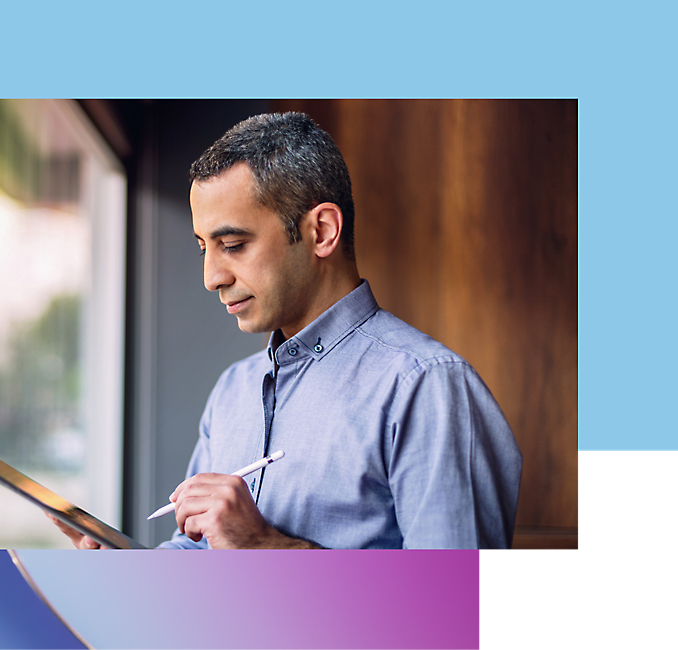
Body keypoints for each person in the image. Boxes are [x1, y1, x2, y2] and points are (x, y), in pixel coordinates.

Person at [53, 112, 522, 550]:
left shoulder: (428, 387)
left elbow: (459, 614)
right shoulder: (232, 391)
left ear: (321, 231)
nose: (211, 277)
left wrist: (266, 548)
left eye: (233, 245)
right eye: (204, 248)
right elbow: (197, 552)